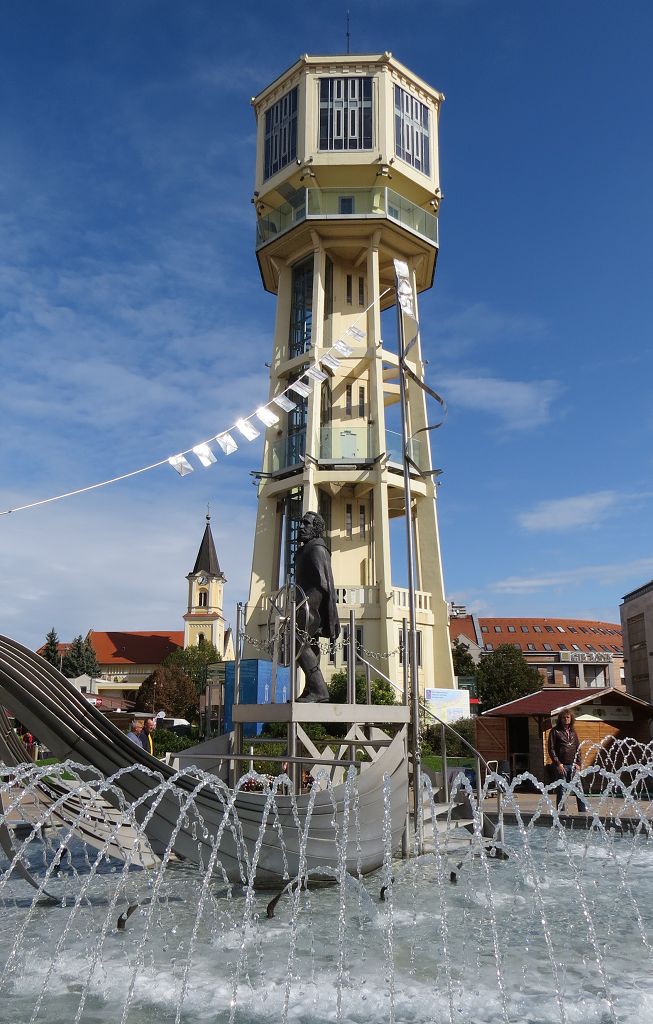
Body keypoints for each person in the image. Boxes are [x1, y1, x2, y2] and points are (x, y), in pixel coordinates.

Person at [293, 511, 340, 703]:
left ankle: (319, 689)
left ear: (316, 529)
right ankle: (310, 688)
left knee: (296, 642)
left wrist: (331, 616)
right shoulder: (306, 550)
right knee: (309, 644)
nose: (301, 527)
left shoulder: (317, 550)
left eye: (306, 524)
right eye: (301, 523)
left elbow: (327, 583)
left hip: (311, 604)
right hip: (304, 603)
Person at [548, 709, 589, 812]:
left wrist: (578, 763)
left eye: (568, 717)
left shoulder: (573, 732)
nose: (566, 719)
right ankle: (561, 812)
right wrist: (558, 763)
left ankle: (582, 811)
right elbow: (551, 749)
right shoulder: (555, 731)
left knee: (579, 789)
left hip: (573, 765)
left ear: (571, 719)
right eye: (564, 717)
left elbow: (578, 748)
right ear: (560, 719)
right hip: (562, 765)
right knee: (561, 790)